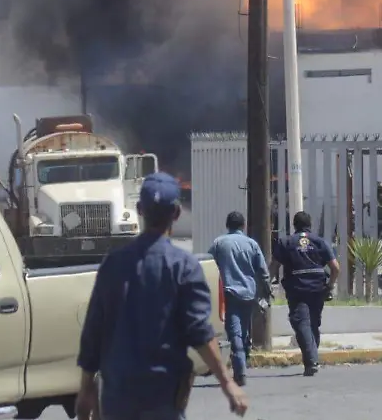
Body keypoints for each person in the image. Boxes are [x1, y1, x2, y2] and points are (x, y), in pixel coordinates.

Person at [76, 172, 248, 420]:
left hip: (117, 397)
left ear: (139, 210)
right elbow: (199, 332)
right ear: (176, 213)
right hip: (163, 397)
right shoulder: (183, 267)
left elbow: (93, 330)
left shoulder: (113, 264)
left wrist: (86, 389)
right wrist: (227, 383)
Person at [270, 211, 340, 376]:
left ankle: (311, 360)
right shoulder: (319, 242)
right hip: (317, 289)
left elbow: (274, 266)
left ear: (294, 225)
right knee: (313, 324)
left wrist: (267, 284)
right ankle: (312, 358)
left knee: (301, 323)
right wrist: (329, 286)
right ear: (310, 225)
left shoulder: (286, 242)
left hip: (297, 289)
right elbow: (335, 268)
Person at [208, 210, 271, 387]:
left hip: (229, 293)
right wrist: (266, 291)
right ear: (243, 225)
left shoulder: (219, 243)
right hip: (249, 294)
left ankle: (240, 370)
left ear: (227, 225)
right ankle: (243, 358)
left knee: (235, 331)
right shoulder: (252, 244)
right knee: (243, 329)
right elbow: (263, 271)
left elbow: (209, 264)